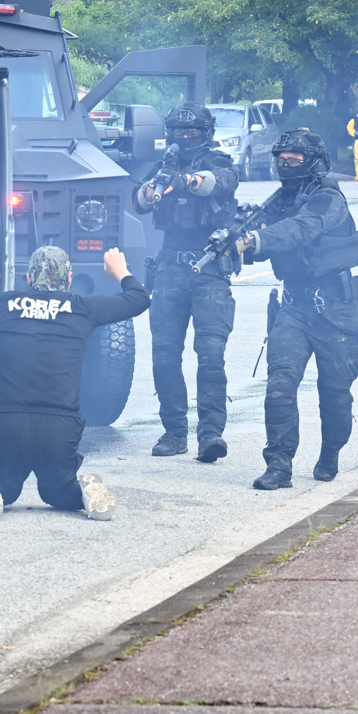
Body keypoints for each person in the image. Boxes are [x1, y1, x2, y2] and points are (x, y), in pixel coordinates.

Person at [0, 245, 150, 519]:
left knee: (6, 491)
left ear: (28, 279)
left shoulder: (4, 303)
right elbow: (139, 299)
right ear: (70, 278)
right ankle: (84, 492)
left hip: (8, 421)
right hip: (60, 424)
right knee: (58, 493)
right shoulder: (84, 308)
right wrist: (120, 271)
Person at [234, 127, 358, 489]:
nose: (285, 165)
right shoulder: (278, 200)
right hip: (294, 306)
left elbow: (301, 228)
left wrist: (257, 239)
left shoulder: (329, 198)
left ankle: (330, 453)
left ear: (313, 163)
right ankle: (279, 465)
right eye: (281, 160)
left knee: (335, 394)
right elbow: (256, 229)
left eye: (294, 160)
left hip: (337, 309)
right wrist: (232, 238)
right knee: (279, 385)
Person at [132, 102, 240, 462]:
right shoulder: (165, 164)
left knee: (210, 356)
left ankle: (210, 434)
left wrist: (186, 181)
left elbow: (219, 185)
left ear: (205, 132)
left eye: (192, 132)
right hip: (170, 269)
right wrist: (155, 187)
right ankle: (174, 432)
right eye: (179, 131)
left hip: (210, 270)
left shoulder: (219, 160)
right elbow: (139, 201)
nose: (185, 137)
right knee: (164, 356)